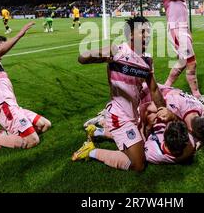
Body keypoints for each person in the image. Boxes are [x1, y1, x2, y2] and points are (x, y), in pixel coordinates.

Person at [71, 16, 167, 172]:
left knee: (142, 141)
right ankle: (91, 150)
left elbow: (154, 89)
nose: (147, 36)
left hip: (133, 114)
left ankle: (97, 131)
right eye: (142, 32)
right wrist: (97, 53)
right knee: (139, 164)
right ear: (130, 35)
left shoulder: (147, 60)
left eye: (148, 32)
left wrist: (164, 109)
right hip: (118, 115)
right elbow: (82, 59)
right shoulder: (117, 51)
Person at [0, 21, 52, 149]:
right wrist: (19, 34)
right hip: (4, 107)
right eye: (0, 46)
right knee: (32, 141)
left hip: (13, 107)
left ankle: (7, 133)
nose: (3, 49)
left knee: (44, 125)